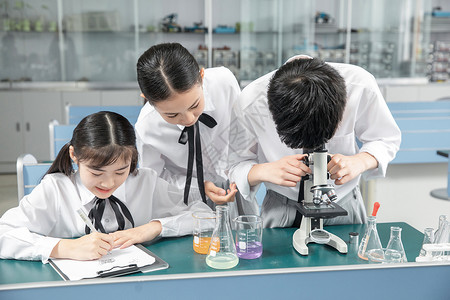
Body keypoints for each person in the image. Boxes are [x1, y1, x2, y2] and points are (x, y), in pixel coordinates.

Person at [0, 111, 212, 262]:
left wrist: (153, 228)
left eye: (121, 171)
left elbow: (206, 216)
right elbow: (3, 234)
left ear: (133, 159)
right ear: (74, 155)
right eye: (96, 172)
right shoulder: (56, 190)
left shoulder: (146, 182)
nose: (108, 183)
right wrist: (65, 247)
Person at [228, 55, 401, 228]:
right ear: (273, 112)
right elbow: (235, 165)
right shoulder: (251, 103)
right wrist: (264, 170)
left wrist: (360, 161)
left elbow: (386, 138)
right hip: (281, 208)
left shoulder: (359, 86)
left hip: (343, 203)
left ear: (342, 107)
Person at [135, 42, 259, 220]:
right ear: (147, 99)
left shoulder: (223, 83)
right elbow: (155, 179)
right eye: (172, 114)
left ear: (201, 76)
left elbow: (243, 137)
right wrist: (200, 186)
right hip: (185, 199)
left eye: (194, 105)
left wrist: (240, 173)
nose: (189, 119)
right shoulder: (147, 127)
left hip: (235, 187)